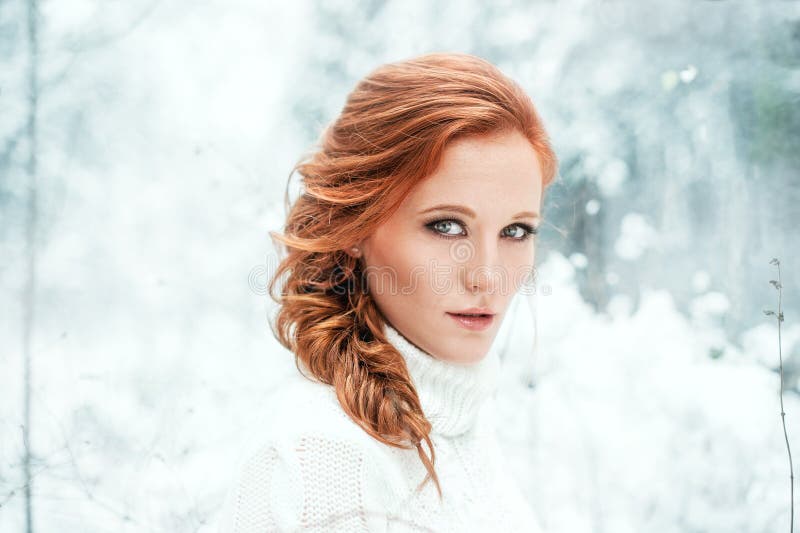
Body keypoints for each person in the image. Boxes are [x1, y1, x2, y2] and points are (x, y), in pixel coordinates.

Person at [218, 51, 558, 532]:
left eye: (516, 232)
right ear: (356, 228)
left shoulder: (459, 422)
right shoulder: (322, 455)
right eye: (446, 226)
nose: (488, 276)